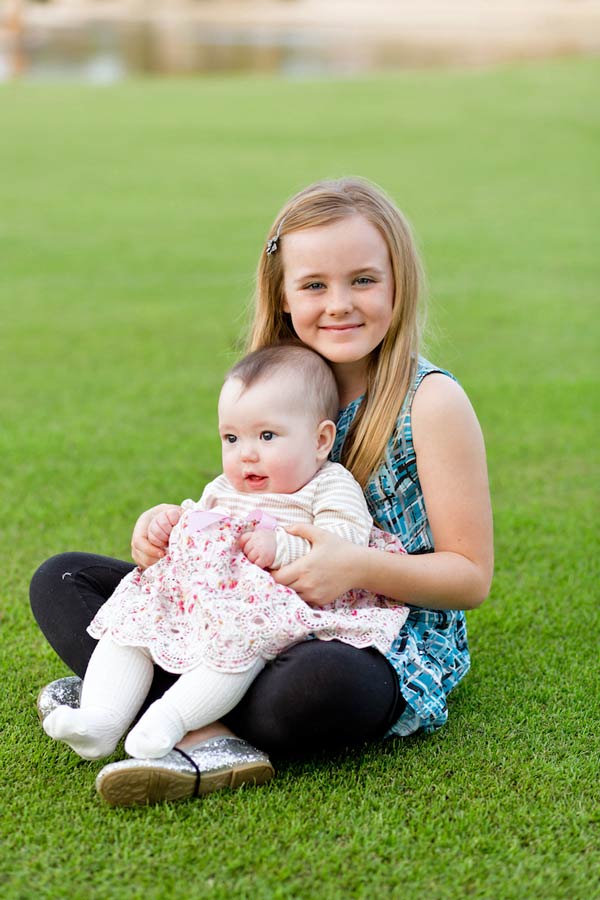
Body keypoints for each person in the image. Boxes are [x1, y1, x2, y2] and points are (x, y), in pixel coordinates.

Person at [31, 176, 493, 806]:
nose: (339, 304)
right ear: (281, 296)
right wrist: (167, 535)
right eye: (313, 285)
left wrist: (352, 565)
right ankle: (203, 722)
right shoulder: (273, 382)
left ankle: (159, 702)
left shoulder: (431, 401)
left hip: (374, 628)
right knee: (62, 580)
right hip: (252, 609)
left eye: (363, 280)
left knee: (310, 688)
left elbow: (470, 577)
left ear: (398, 283)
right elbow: (236, 508)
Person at [41, 344, 408, 764]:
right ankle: (101, 719)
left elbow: (346, 538)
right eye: (231, 438)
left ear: (321, 439)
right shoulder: (225, 488)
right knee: (132, 622)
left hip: (263, 612)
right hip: (196, 603)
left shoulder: (328, 484)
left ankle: (170, 718)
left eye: (267, 436)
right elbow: (197, 522)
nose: (246, 453)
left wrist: (284, 546)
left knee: (243, 647)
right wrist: (167, 523)